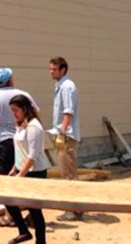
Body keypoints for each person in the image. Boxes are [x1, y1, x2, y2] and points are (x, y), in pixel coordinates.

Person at [0, 68, 39, 227]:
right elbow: (36, 114)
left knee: (6, 180)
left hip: (4, 143)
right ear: (10, 80)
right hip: (23, 140)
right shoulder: (23, 94)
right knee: (28, 179)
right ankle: (34, 216)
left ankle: (10, 216)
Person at [5, 94, 50, 244]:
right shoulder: (21, 124)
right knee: (8, 200)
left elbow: (32, 155)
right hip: (22, 169)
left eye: (15, 110)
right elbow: (20, 150)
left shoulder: (34, 127)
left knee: (34, 209)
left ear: (24, 109)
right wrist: (14, 169)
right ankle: (23, 231)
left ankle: (41, 241)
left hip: (35, 172)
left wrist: (20, 175)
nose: (14, 114)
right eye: (12, 111)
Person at [49, 56, 82, 221]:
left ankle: (73, 210)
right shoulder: (61, 86)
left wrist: (61, 132)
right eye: (50, 69)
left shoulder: (67, 86)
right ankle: (76, 208)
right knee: (66, 171)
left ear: (63, 70)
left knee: (68, 173)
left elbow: (68, 112)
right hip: (63, 134)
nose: (51, 72)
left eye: (54, 69)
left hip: (66, 136)